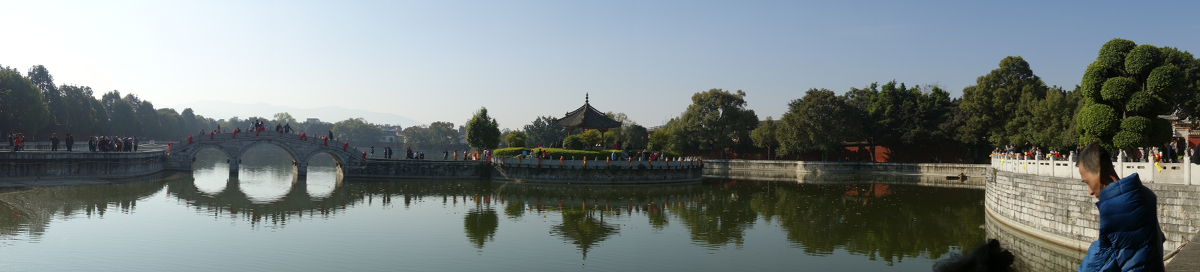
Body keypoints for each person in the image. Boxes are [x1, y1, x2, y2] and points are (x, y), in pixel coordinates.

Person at [1076, 140, 1164, 271]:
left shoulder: (1116, 208)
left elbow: (1098, 262)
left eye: (1087, 182)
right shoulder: (1142, 194)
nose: (1090, 191)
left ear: (1098, 172)